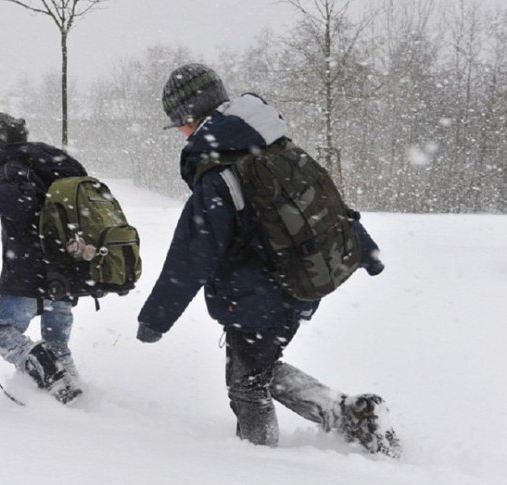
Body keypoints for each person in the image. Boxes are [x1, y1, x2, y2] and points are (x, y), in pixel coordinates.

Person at [135, 63, 401, 457]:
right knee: (258, 369)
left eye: (178, 123)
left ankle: (263, 463)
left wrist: (155, 319)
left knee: (246, 384)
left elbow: (190, 258)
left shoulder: (220, 175)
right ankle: (347, 414)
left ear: (192, 118)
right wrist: (366, 249)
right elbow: (327, 204)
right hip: (299, 281)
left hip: (256, 297)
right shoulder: (278, 147)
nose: (179, 132)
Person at [0, 112, 85, 404]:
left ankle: (52, 377)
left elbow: (23, 203)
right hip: (66, 272)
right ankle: (78, 401)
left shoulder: (12, 165)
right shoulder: (50, 163)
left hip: (31, 273)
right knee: (57, 344)